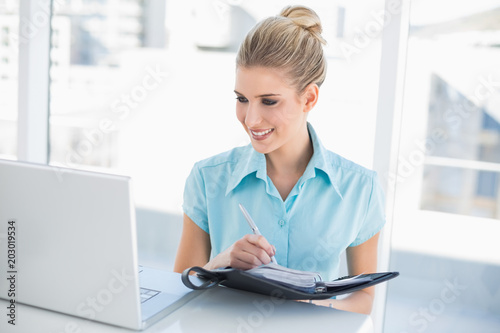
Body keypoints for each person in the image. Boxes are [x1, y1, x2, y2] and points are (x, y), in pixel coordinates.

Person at [174, 5, 386, 314]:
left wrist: (314, 304)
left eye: (269, 101)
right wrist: (221, 262)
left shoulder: (360, 189)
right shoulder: (207, 178)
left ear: (309, 98)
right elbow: (180, 291)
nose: (251, 118)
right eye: (242, 99)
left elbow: (365, 298)